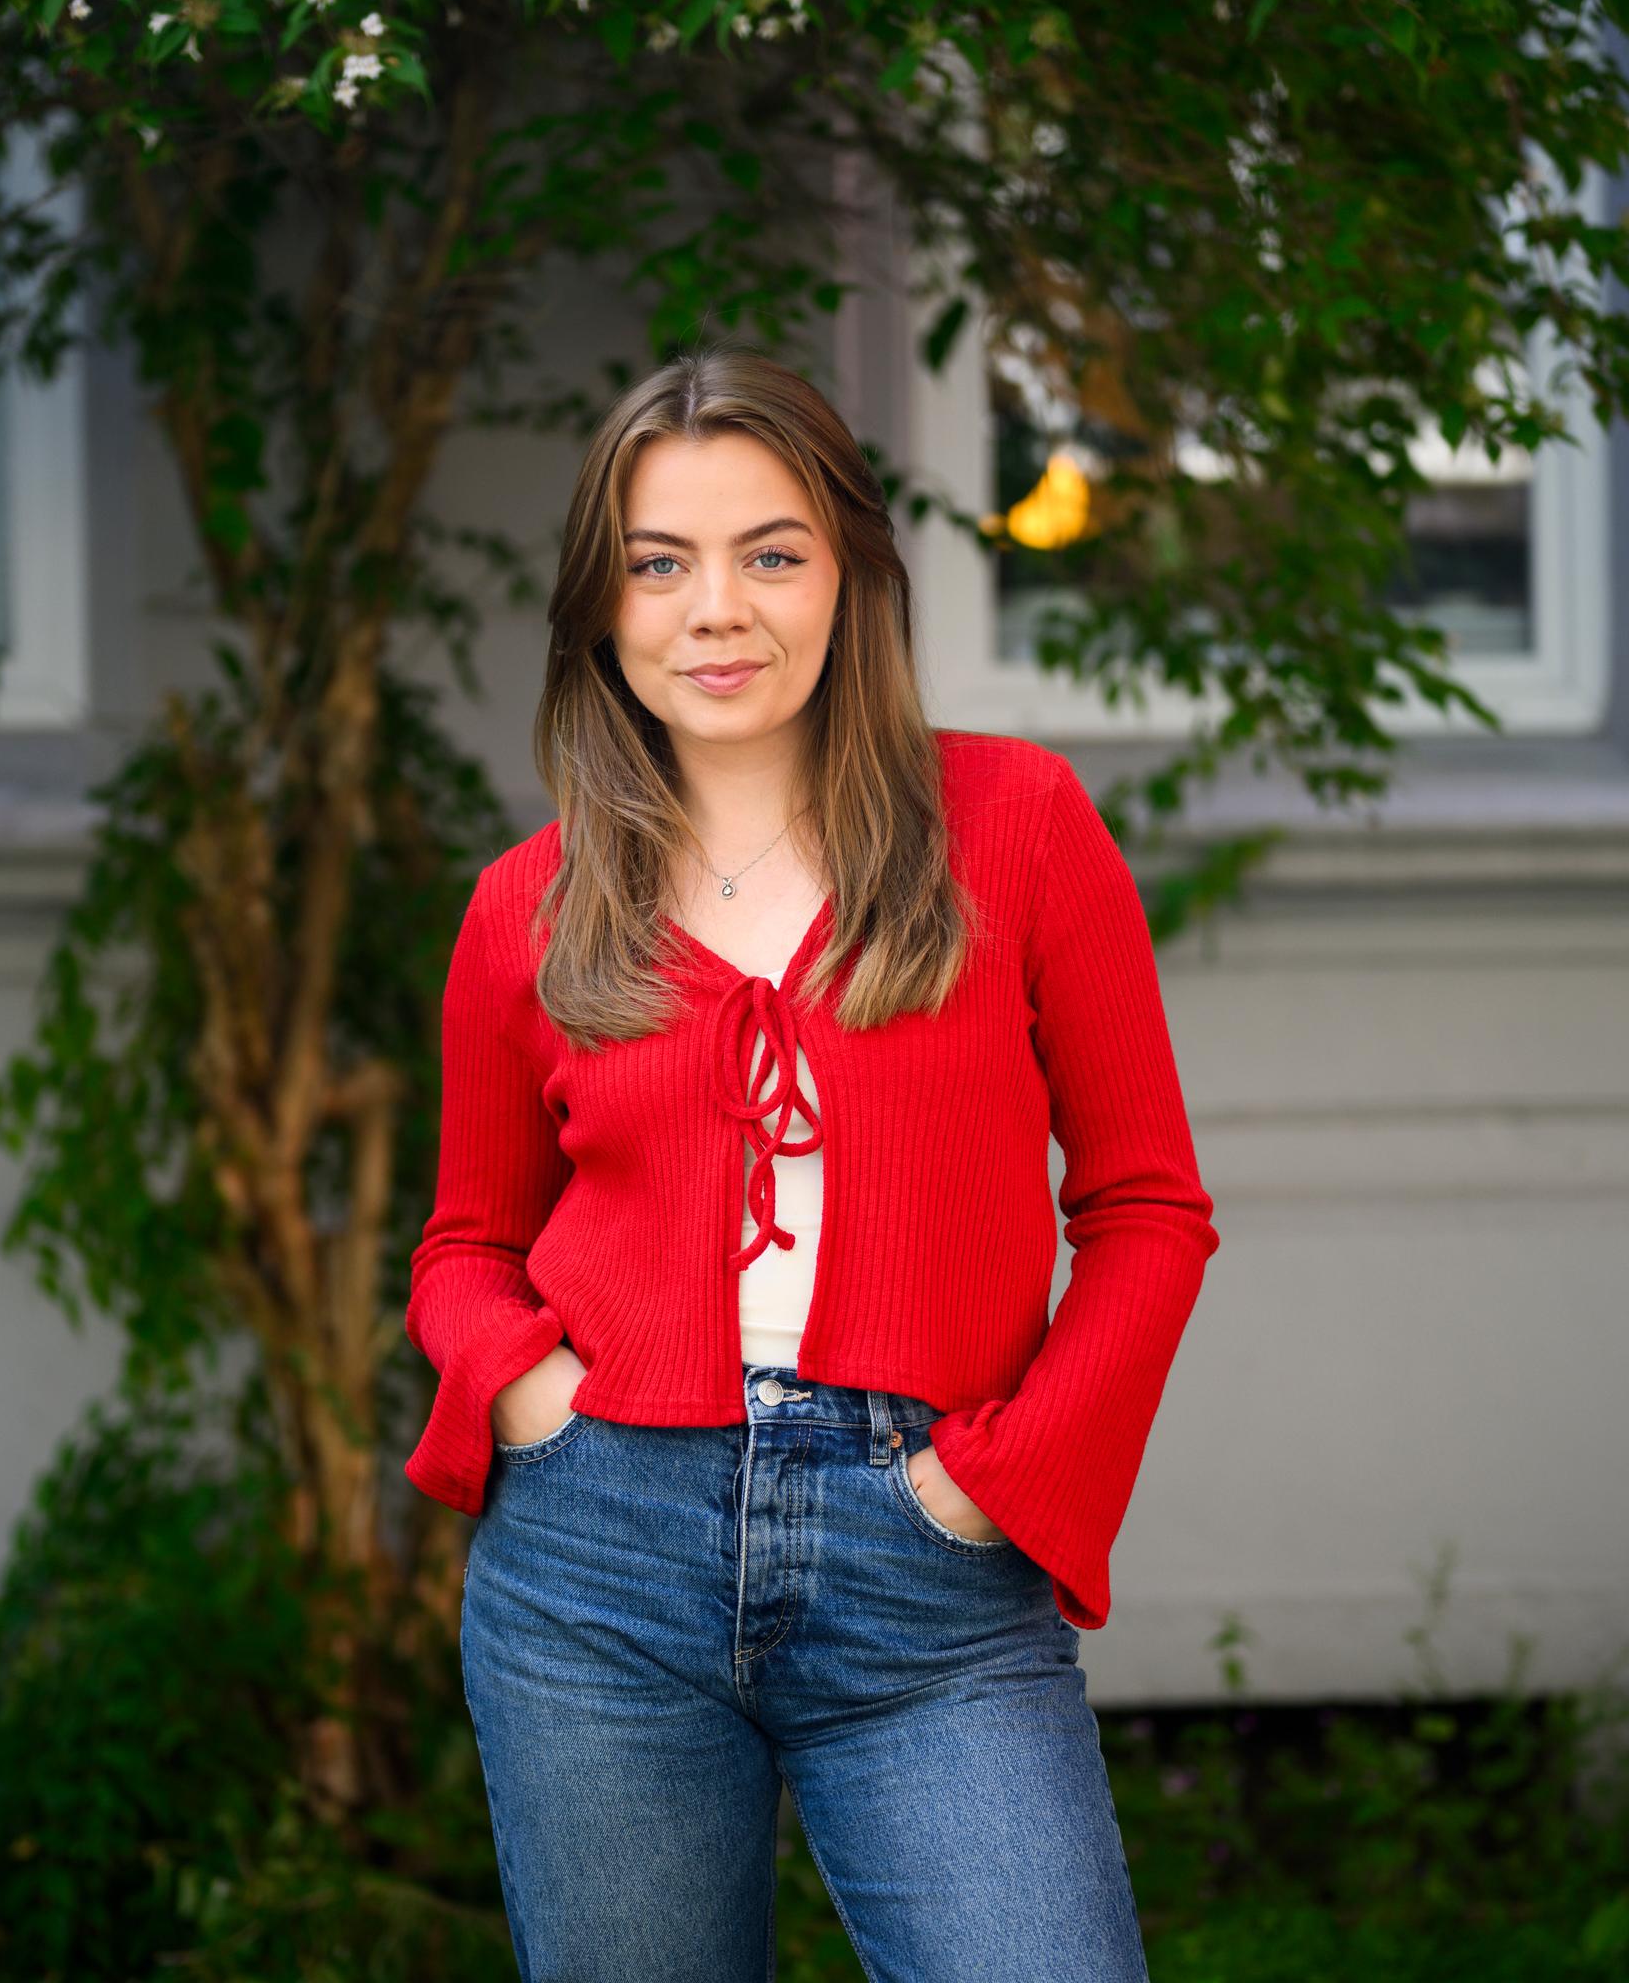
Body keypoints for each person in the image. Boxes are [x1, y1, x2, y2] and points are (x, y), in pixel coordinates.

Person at [401, 343, 1220, 1982]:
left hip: (926, 1569)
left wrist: (997, 1483)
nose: (717, 610)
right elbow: (466, 1245)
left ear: (850, 575)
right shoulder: (528, 910)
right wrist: (524, 1395)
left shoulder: (1020, 828)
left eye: (771, 553)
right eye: (660, 563)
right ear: (602, 609)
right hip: (598, 1573)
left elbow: (1145, 1210)